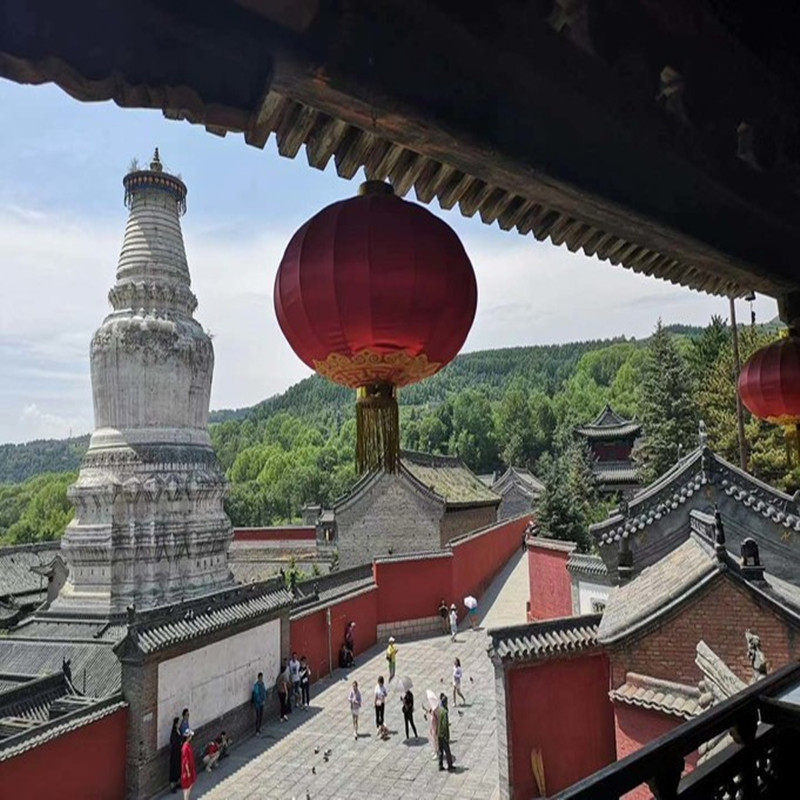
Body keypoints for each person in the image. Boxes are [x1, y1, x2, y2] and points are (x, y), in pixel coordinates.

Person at [436, 695, 454, 772]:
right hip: (443, 734)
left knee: (440, 750)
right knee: (447, 751)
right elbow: (444, 724)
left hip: (439, 733)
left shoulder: (439, 710)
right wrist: (446, 735)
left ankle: (440, 765)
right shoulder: (445, 712)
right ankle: (450, 765)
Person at [180, 729, 197, 800]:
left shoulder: (188, 745)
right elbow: (185, 761)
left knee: (190, 784)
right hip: (187, 769)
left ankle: (186, 798)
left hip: (190, 768)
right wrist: (188, 771)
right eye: (190, 736)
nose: (191, 737)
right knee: (187, 785)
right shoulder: (185, 747)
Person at [169, 717, 182, 793]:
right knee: (174, 769)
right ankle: (172, 785)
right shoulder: (174, 732)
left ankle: (177, 782)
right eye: (178, 723)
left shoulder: (178, 731)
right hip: (174, 754)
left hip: (178, 753)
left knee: (178, 768)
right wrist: (178, 744)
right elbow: (173, 742)